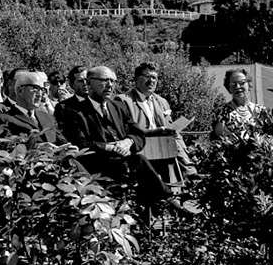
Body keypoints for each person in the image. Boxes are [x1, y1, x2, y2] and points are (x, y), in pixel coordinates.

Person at [68, 66, 187, 213]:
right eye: (104, 80)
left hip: (124, 163)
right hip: (97, 165)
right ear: (89, 83)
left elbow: (137, 134)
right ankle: (167, 201)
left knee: (141, 167)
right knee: (140, 162)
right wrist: (111, 147)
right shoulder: (74, 112)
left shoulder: (117, 107)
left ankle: (150, 218)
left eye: (113, 81)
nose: (110, 85)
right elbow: (80, 144)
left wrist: (128, 142)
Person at [118, 61, 196, 177]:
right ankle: (189, 172)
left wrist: (186, 151)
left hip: (165, 146)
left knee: (176, 143)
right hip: (142, 145)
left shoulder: (162, 102)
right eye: (147, 77)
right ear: (136, 79)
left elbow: (173, 132)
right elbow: (127, 131)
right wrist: (156, 131)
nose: (152, 81)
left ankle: (188, 168)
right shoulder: (124, 100)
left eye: (154, 78)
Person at [0, 70, 64, 145]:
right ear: (20, 91)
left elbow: (63, 143)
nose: (39, 94)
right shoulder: (5, 119)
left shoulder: (48, 118)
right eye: (35, 88)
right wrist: (37, 148)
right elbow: (6, 146)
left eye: (42, 89)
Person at [213, 68, 267, 140]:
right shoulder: (222, 113)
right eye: (233, 84)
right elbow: (219, 139)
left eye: (242, 83)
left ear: (249, 85)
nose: (238, 87)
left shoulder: (261, 111)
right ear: (228, 88)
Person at [55, 64, 88, 143]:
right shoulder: (64, 107)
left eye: (87, 79)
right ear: (72, 85)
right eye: (80, 81)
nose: (85, 83)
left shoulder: (99, 103)